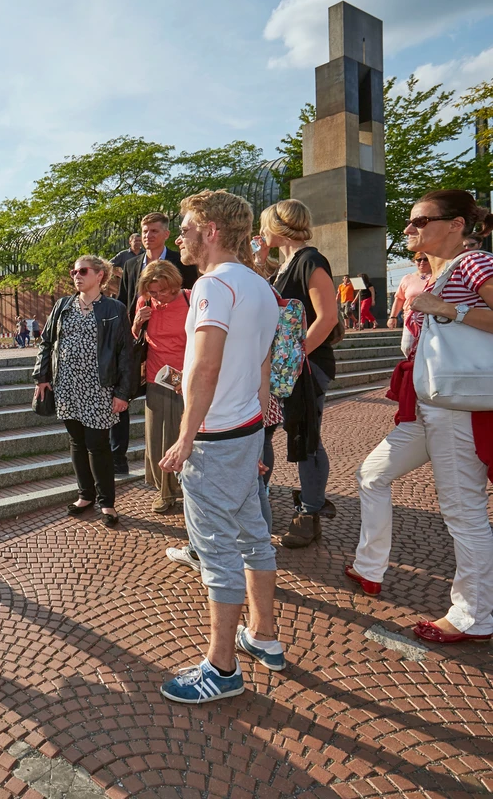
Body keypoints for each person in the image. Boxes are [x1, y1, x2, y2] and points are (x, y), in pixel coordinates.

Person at [346, 189, 493, 643]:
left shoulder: (473, 263)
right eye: (410, 222)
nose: (410, 229)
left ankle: (475, 615)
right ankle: (370, 567)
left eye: (421, 221)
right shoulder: (440, 271)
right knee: (371, 474)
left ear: (456, 225)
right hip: (430, 405)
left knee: (464, 513)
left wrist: (450, 308)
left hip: (456, 406)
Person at [157, 190, 282, 705]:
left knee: (217, 552)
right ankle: (265, 636)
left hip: (215, 436)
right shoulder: (260, 286)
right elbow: (259, 365)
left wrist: (186, 437)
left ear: (210, 229)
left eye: (186, 226)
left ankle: (222, 667)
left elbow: (207, 366)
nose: (180, 235)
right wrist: (260, 421)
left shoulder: (212, 285)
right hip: (246, 427)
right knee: (253, 534)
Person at [263, 199, 339, 548]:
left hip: (306, 367)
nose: (261, 232)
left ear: (280, 225)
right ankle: (259, 501)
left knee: (306, 437)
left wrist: (295, 357)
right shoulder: (284, 265)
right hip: (284, 368)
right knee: (265, 432)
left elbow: (327, 318)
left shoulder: (310, 260)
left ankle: (310, 513)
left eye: (265, 225)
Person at [34, 255, 130, 527]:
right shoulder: (63, 306)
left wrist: (123, 392)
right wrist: (42, 376)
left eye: (82, 271)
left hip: (99, 388)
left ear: (100, 275)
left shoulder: (114, 308)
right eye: (73, 271)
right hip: (66, 386)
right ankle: (85, 495)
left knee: (98, 446)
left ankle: (107, 502)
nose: (76, 275)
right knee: (77, 442)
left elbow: (125, 353)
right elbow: (46, 342)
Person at [112, 213, 198, 475]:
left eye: (153, 231)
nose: (147, 236)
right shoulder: (131, 265)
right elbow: (124, 304)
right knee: (145, 416)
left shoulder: (183, 261)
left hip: (180, 358)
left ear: (166, 234)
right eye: (144, 231)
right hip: (145, 352)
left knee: (179, 421)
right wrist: (133, 328)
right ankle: (122, 461)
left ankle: (184, 476)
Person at [131, 261, 190, 514]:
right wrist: (136, 324)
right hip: (156, 377)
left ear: (175, 284)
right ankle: (164, 492)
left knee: (183, 436)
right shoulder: (145, 302)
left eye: (163, 291)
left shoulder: (189, 298)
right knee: (156, 438)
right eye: (153, 292)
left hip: (185, 378)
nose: (159, 297)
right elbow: (137, 338)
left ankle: (187, 489)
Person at [387, 254, 433, 328]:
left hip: (433, 320)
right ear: (414, 261)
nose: (422, 262)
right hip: (411, 321)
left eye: (425, 259)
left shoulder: (438, 277)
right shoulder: (407, 278)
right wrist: (392, 317)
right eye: (419, 259)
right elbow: (399, 299)